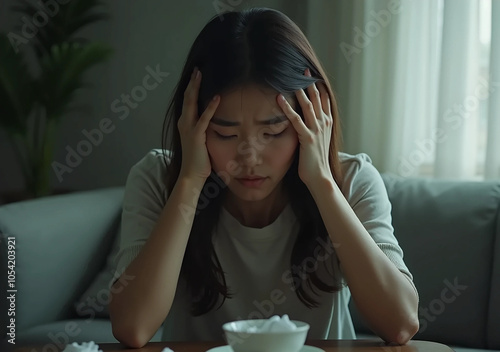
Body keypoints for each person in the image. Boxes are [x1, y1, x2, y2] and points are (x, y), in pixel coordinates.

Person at [108, 7, 419, 348]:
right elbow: (132, 327)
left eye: (273, 132)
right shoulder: (157, 179)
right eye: (224, 134)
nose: (250, 158)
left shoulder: (353, 180)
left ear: (314, 122)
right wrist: (190, 183)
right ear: (192, 125)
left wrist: (322, 184)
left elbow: (400, 324)